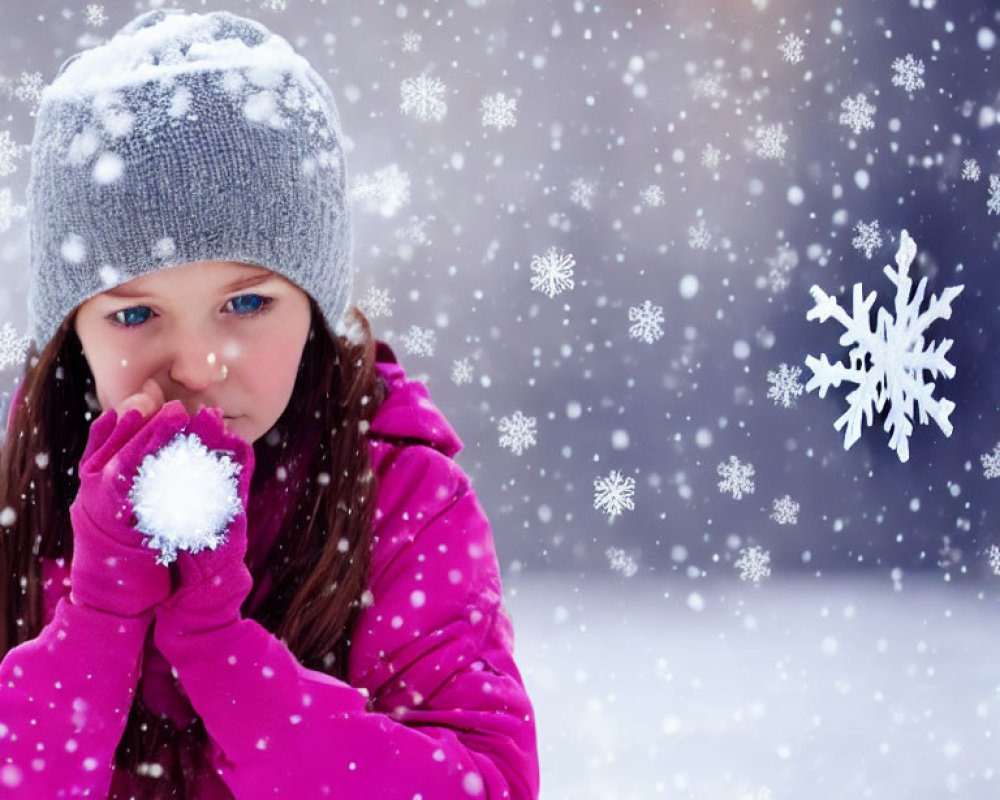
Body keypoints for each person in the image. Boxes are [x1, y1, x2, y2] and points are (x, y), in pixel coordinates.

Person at [0, 9, 540, 799]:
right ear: (72, 335)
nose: (197, 365)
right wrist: (95, 628)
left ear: (313, 307)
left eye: (247, 305)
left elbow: (484, 785)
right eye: (135, 314)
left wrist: (229, 664)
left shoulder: (402, 506)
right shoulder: (16, 505)